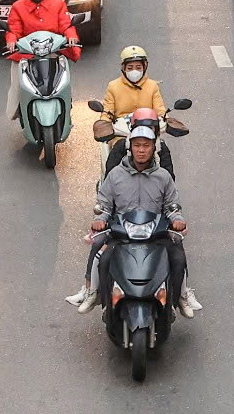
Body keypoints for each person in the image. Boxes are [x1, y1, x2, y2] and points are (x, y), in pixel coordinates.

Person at [69, 116, 190, 312]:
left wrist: (177, 219)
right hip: (122, 232)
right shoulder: (116, 175)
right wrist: (100, 219)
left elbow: (172, 204)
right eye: (137, 145)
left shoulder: (163, 177)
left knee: (178, 256)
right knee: (101, 253)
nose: (141, 150)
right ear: (130, 148)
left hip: (155, 232)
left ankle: (182, 296)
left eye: (146, 146)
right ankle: (92, 292)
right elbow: (104, 203)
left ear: (153, 148)